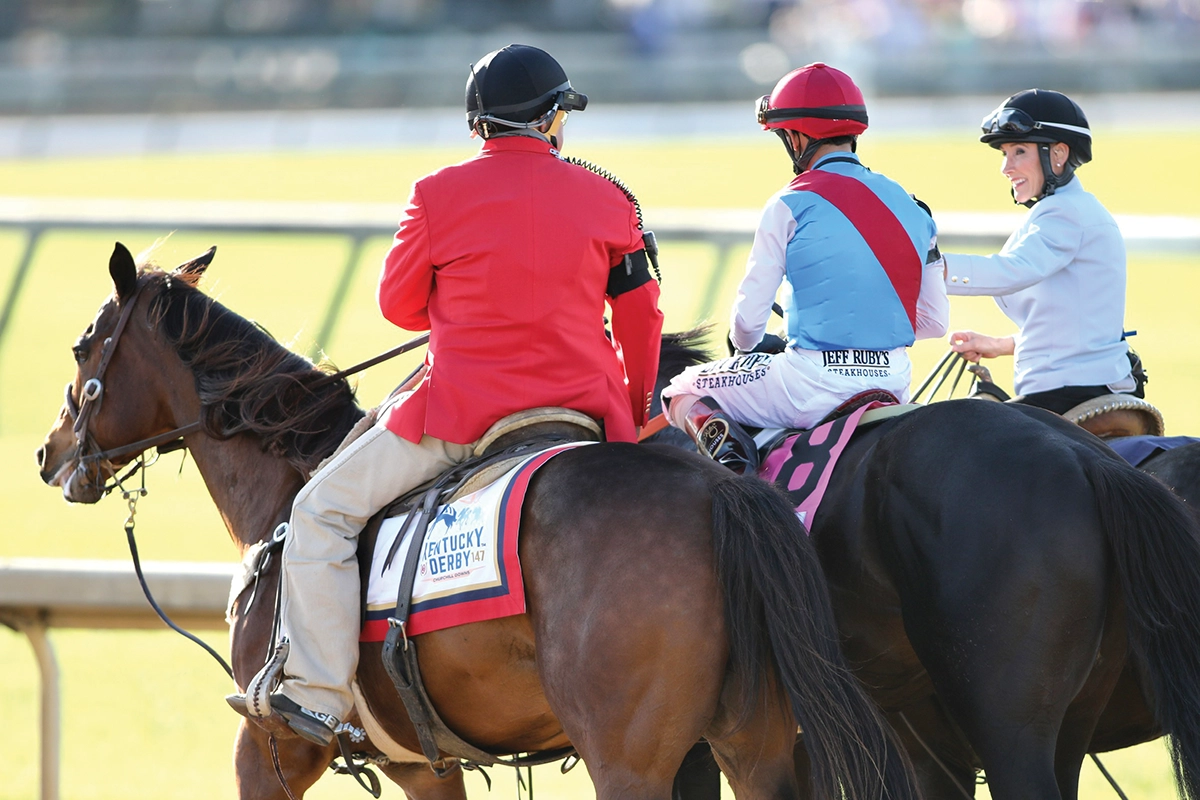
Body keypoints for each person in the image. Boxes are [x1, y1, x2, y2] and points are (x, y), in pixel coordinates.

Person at [227, 43, 664, 745]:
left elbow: (398, 305)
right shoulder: (609, 197)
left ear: (477, 126)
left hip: (462, 417)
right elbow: (643, 317)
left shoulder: (435, 193)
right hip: (584, 416)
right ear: (552, 121)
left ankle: (315, 691)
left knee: (320, 513)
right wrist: (640, 411)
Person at [660, 62, 949, 473]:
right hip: (894, 382)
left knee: (679, 390)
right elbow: (935, 322)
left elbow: (746, 326)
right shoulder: (915, 207)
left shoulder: (787, 203)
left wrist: (750, 348)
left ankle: (742, 484)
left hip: (809, 384)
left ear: (797, 136)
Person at [944, 89, 1145, 414]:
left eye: (1019, 151)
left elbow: (1009, 272)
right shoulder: (1071, 208)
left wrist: (930, 268)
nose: (1006, 168)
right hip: (1085, 383)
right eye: (1004, 154)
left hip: (1070, 392)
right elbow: (1070, 328)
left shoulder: (1065, 211)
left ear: (1059, 153)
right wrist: (1001, 345)